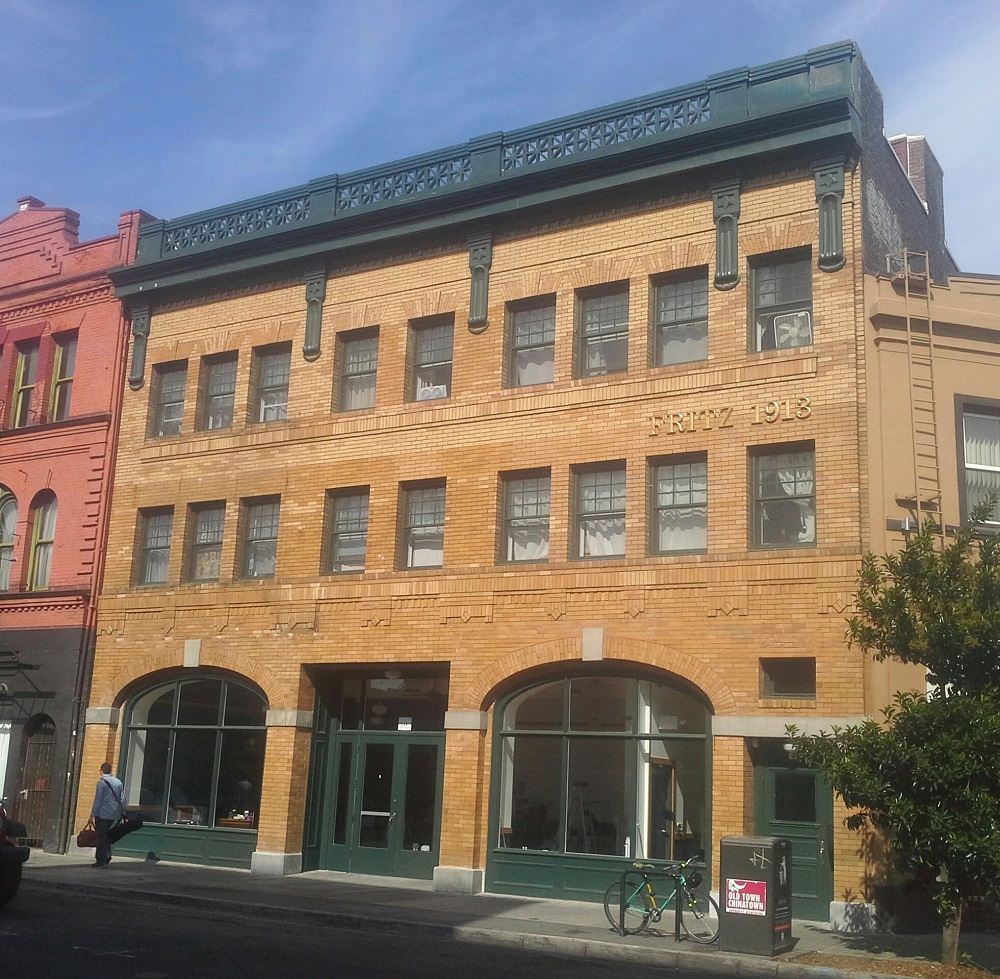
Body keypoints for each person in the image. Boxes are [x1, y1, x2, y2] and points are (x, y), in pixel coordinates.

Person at [90, 762, 125, 867]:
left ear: (101, 771)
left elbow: (98, 800)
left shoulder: (101, 783)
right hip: (114, 814)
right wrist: (123, 812)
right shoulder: (118, 782)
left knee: (101, 836)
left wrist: (92, 814)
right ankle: (107, 855)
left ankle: (101, 859)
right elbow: (122, 799)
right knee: (108, 835)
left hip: (102, 814)